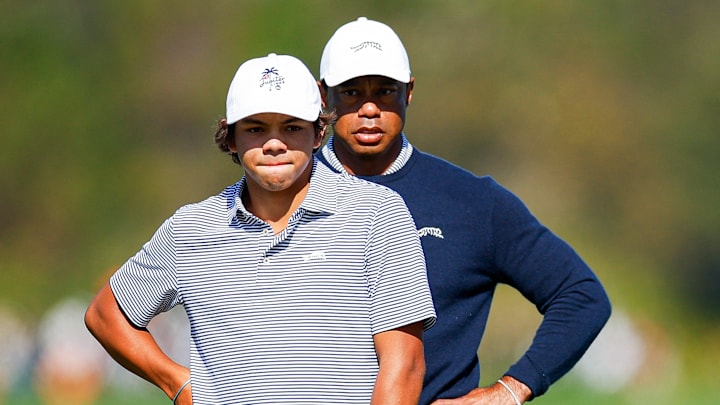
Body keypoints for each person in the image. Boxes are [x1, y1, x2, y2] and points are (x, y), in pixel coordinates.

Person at [84, 52, 437, 405]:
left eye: (292, 127)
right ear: (231, 138)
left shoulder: (375, 213)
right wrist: (178, 384)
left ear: (318, 133)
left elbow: (403, 363)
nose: (274, 143)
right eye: (255, 128)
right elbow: (105, 315)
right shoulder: (192, 228)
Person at [315, 17, 612, 405]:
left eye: (386, 91)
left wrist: (506, 392)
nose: (370, 108)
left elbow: (582, 296)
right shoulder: (285, 196)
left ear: (410, 92)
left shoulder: (471, 202)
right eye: (351, 92)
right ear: (324, 97)